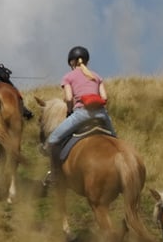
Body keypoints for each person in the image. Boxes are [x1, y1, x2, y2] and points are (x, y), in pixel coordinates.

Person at [42, 46, 115, 185]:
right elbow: (105, 97)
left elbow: (69, 98)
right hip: (101, 115)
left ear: (71, 63)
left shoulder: (68, 77)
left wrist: (70, 111)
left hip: (82, 114)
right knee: (115, 139)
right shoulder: (97, 76)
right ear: (86, 61)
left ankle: (55, 175)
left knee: (52, 140)